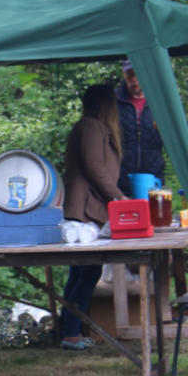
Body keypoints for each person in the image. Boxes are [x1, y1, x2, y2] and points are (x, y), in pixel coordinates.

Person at [61, 84, 127, 350]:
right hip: (84, 208)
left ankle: (69, 330)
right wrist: (119, 197)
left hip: (88, 208)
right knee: (87, 271)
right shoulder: (90, 126)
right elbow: (94, 166)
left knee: (81, 271)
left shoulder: (96, 126)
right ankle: (70, 332)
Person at [116, 59, 165, 196]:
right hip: (120, 180)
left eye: (137, 73)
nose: (133, 78)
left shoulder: (159, 101)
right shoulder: (113, 101)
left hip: (153, 178)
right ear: (123, 74)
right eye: (129, 74)